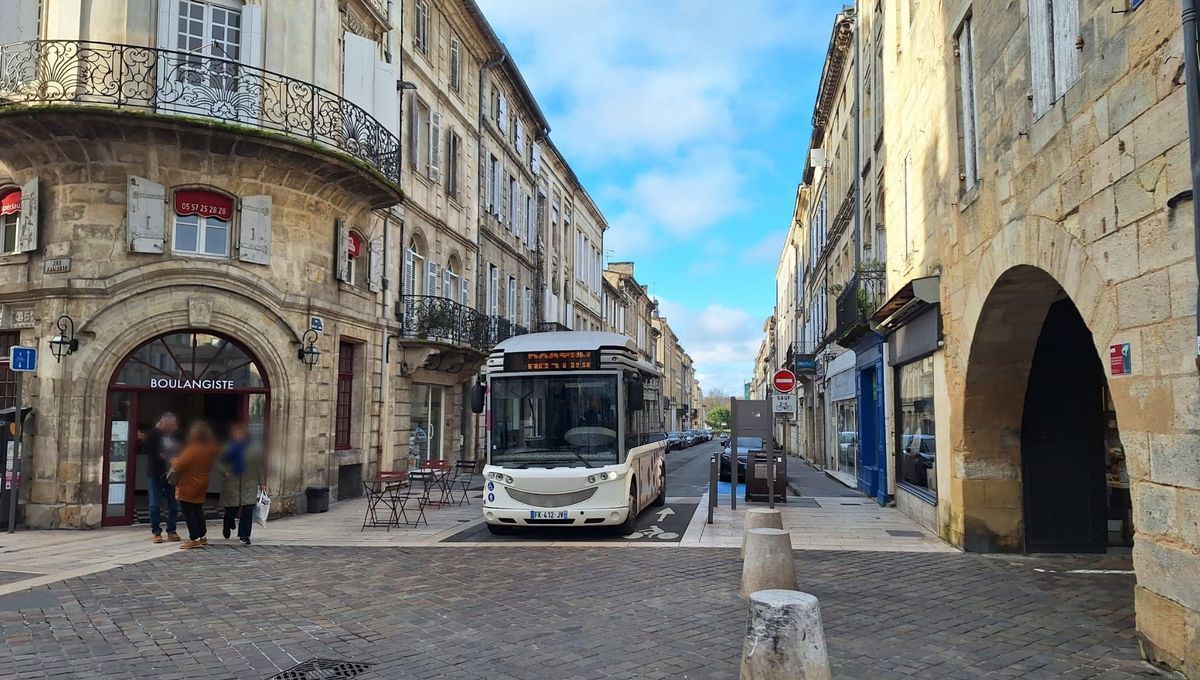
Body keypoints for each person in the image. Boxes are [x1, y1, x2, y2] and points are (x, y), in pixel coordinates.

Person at [170, 422, 221, 550]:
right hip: (203, 480)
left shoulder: (193, 448)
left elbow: (179, 465)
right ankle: (203, 536)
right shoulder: (211, 447)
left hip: (188, 483)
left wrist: (173, 460)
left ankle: (194, 538)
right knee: (198, 510)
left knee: (188, 511)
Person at [218, 423, 264, 545]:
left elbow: (259, 465)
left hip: (249, 482)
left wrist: (262, 482)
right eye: (236, 433)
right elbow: (220, 462)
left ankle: (244, 535)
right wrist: (225, 472)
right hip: (232, 482)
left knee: (248, 509)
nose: (238, 435)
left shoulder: (253, 448)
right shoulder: (228, 447)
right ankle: (227, 523)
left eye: (240, 433)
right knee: (231, 509)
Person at [142, 413, 182, 543]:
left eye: (172, 424)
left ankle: (172, 530)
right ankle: (156, 532)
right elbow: (146, 448)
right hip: (155, 473)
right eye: (168, 424)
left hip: (172, 472)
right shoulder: (153, 434)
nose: (170, 427)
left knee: (174, 504)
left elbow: (183, 449)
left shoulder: (177, 435)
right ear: (162, 422)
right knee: (155, 504)